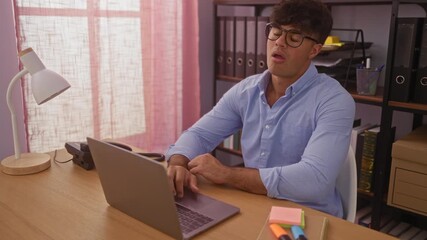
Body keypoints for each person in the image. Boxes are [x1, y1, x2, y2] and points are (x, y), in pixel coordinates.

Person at [165, 0, 355, 218]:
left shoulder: (335, 100)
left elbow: (315, 180)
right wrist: (179, 161)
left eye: (294, 37)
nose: (279, 43)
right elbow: (199, 134)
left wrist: (227, 174)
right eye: (275, 32)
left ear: (314, 50)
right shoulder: (247, 90)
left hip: (310, 215)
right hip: (255, 205)